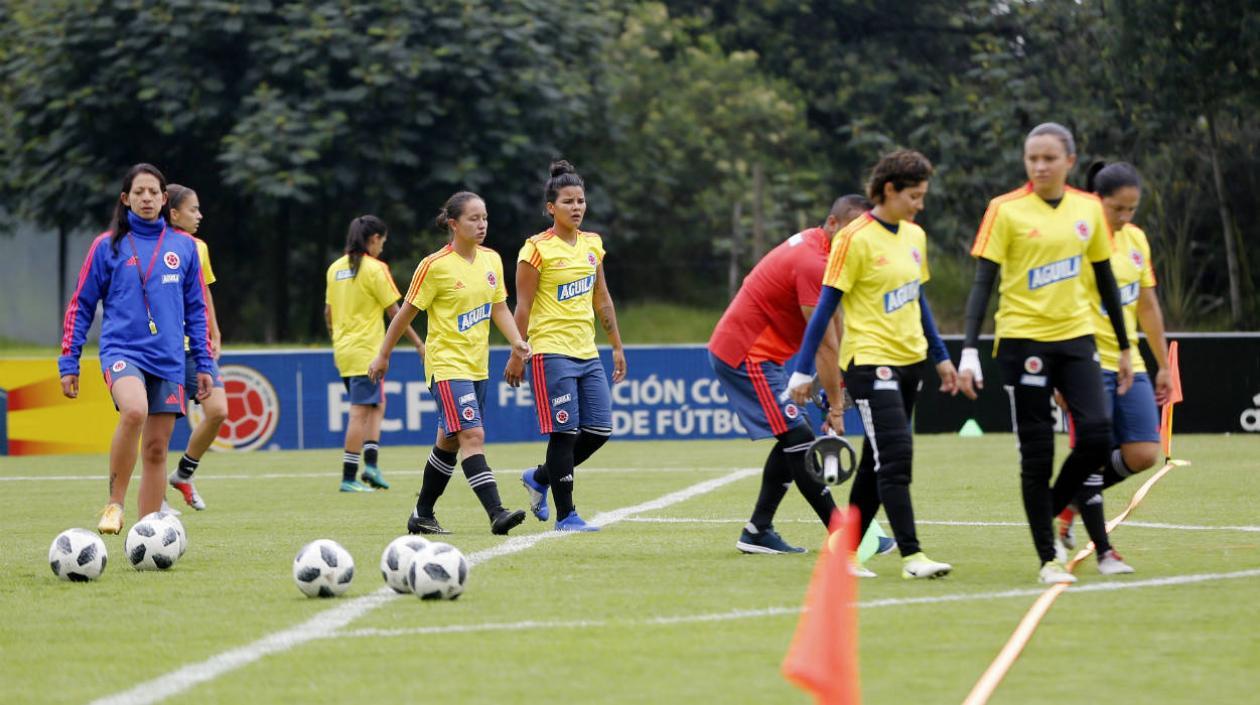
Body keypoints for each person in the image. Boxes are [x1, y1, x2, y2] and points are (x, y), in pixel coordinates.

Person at [956, 122, 1134, 584]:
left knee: (1097, 435)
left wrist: (1126, 347)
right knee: (1036, 454)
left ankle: (1055, 504)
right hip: (1022, 343)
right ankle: (1047, 560)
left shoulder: (1088, 209)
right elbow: (982, 283)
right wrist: (970, 351)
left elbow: (1106, 280)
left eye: (1049, 158)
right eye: (1032, 157)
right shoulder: (1005, 210)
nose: (1039, 165)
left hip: (1077, 339)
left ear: (1069, 162)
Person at [788, 150, 957, 580]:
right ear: (889, 190)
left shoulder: (914, 237)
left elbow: (919, 301)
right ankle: (912, 556)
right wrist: (803, 370)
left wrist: (940, 358)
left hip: (910, 363)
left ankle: (843, 553)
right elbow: (825, 310)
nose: (920, 204)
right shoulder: (853, 238)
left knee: (875, 463)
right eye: (913, 195)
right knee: (896, 456)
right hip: (869, 362)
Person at [707, 194, 872, 555]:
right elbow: (826, 344)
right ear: (832, 223)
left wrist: (836, 393)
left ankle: (757, 531)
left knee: (791, 437)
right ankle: (843, 533)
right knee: (798, 435)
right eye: (850, 230)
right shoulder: (814, 262)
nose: (856, 239)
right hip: (747, 354)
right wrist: (837, 408)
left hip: (765, 356)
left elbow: (837, 323)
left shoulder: (829, 254)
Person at [59, 163, 213, 534]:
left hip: (170, 359)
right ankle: (114, 504)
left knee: (158, 450)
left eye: (154, 193)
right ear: (126, 199)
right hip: (122, 350)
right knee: (134, 411)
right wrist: (70, 360)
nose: (147, 198)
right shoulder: (107, 245)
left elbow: (197, 309)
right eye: (139, 192)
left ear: (164, 200)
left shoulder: (184, 247)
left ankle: (147, 535)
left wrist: (205, 363)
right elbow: (80, 304)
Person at [368, 192, 531, 535]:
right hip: (445, 365)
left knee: (450, 441)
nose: (482, 224)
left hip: (477, 366)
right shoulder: (434, 266)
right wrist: (383, 353)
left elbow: (499, 306)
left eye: (485, 217)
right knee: (473, 434)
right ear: (454, 224)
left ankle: (422, 514)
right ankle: (496, 513)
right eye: (474, 218)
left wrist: (516, 340)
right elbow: (404, 315)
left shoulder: (491, 261)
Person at [1055, 162, 1171, 575]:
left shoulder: (1137, 239)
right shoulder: (1076, 239)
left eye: (1131, 210)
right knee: (1093, 451)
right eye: (1117, 209)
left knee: (1143, 453)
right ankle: (1104, 551)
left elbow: (1147, 305)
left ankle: (1065, 504)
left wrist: (1161, 365)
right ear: (1095, 201)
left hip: (1129, 361)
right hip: (1084, 362)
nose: (1124, 218)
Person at [506, 160, 627, 532]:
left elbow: (602, 297)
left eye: (581, 200)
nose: (576, 207)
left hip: (587, 353)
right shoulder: (535, 249)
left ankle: (540, 477)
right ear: (551, 208)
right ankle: (567, 516)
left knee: (600, 429)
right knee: (564, 432)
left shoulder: (593, 244)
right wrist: (517, 351)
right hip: (549, 352)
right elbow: (522, 307)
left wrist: (617, 347)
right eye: (568, 201)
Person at [324, 215, 423, 493]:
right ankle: (349, 476)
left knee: (376, 405)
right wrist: (418, 343)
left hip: (343, 351)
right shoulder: (375, 268)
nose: (383, 246)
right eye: (383, 241)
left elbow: (328, 313)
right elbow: (396, 312)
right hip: (367, 351)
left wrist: (339, 338)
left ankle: (371, 465)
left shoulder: (334, 269)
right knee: (359, 412)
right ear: (375, 239)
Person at [165, 184, 225, 511]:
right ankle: (154, 499)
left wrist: (214, 330)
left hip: (195, 346)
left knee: (218, 411)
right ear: (173, 213)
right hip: (163, 348)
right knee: (159, 426)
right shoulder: (152, 245)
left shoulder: (198, 247)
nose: (199, 216)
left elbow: (204, 293)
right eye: (193, 210)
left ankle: (184, 474)